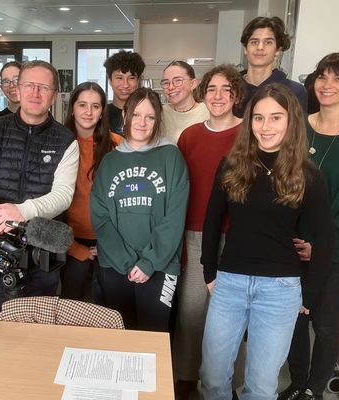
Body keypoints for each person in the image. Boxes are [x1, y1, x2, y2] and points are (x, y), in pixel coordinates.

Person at [199, 83, 334, 400]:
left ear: (290, 122)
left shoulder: (307, 174)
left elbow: (327, 238)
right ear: (249, 122)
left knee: (260, 386)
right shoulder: (231, 165)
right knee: (212, 377)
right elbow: (212, 220)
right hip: (229, 282)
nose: (266, 126)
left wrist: (309, 294)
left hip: (280, 289)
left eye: (275, 117)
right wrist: (209, 272)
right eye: (258, 118)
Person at [280, 52, 339, 400]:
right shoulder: (299, 126)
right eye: (322, 76)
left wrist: (323, 243)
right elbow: (285, 185)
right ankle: (298, 382)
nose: (327, 85)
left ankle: (315, 390)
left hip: (338, 247)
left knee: (325, 321)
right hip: (295, 243)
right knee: (295, 318)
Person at [0, 60, 79, 318]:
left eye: (43, 87)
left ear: (54, 95)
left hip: (43, 251)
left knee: (40, 326)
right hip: (0, 247)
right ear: (18, 88)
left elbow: (63, 195)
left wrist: (20, 211)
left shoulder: (66, 140)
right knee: (0, 323)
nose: (35, 93)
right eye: (29, 85)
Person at [90, 87, 189, 331]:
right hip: (114, 265)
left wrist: (148, 262)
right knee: (120, 334)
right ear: (125, 115)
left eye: (150, 117)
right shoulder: (110, 161)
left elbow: (175, 217)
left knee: (154, 335)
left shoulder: (171, 157)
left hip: (159, 265)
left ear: (157, 120)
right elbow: (100, 216)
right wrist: (125, 261)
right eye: (136, 115)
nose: (142, 123)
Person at [173, 64, 244, 398]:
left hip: (238, 237)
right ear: (203, 92)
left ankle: (230, 381)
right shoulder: (190, 136)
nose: (218, 96)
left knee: (232, 316)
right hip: (195, 233)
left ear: (236, 95)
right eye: (212, 89)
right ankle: (186, 377)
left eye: (226, 89)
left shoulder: (249, 134)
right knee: (191, 310)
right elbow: (181, 188)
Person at [60, 82, 122, 301]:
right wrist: (76, 249)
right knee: (71, 305)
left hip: (109, 240)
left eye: (95, 106)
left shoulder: (118, 144)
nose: (88, 112)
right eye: (82, 105)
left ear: (103, 110)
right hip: (70, 239)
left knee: (107, 307)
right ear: (72, 108)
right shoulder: (58, 141)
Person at [235, 16, 307, 117]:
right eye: (254, 42)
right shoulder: (231, 88)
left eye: (268, 42)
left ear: (277, 50)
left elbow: (297, 131)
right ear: (245, 49)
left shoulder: (294, 91)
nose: (260, 47)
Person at [160, 60, 210, 143]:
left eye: (178, 80)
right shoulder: (159, 114)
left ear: (193, 84)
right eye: (166, 82)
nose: (171, 87)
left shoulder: (208, 113)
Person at [103, 50, 145, 135]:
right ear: (110, 80)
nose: (125, 85)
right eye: (119, 78)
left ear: (138, 80)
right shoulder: (101, 113)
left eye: (131, 78)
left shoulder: (146, 113)